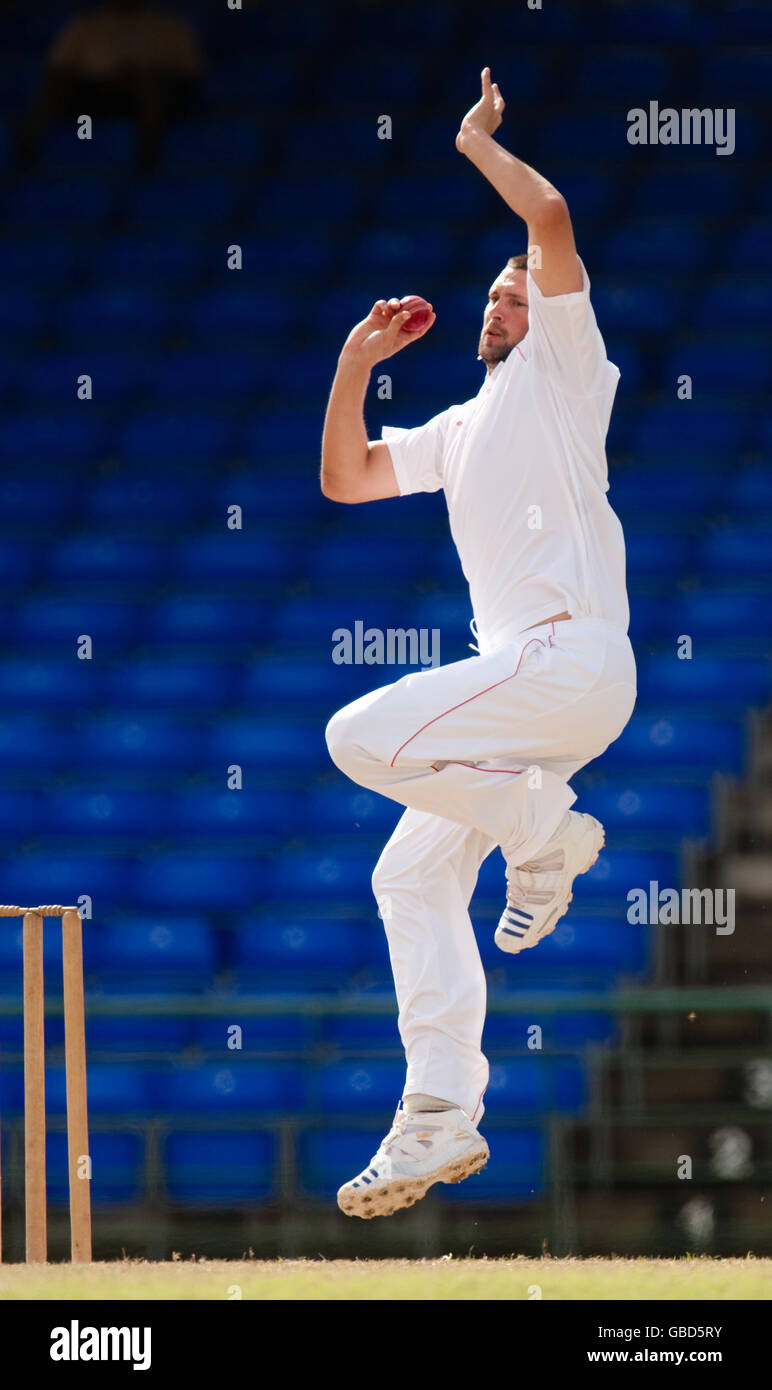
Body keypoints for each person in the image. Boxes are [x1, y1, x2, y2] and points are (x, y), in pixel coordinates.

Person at [320, 68, 636, 1219]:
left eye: (514, 292)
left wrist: (471, 144)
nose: (504, 303)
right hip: (535, 700)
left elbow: (545, 220)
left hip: (569, 659)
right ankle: (439, 1117)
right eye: (492, 296)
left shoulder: (565, 366)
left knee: (356, 732)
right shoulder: (461, 426)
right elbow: (347, 479)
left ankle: (543, 833)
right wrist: (357, 363)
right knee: (403, 872)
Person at [17, 0, 204, 173]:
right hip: (96, 93)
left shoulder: (169, 25)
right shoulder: (85, 25)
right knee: (58, 84)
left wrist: (140, 75)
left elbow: (189, 71)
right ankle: (29, 147)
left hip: (151, 94)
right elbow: (58, 67)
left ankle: (148, 157)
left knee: (150, 87)